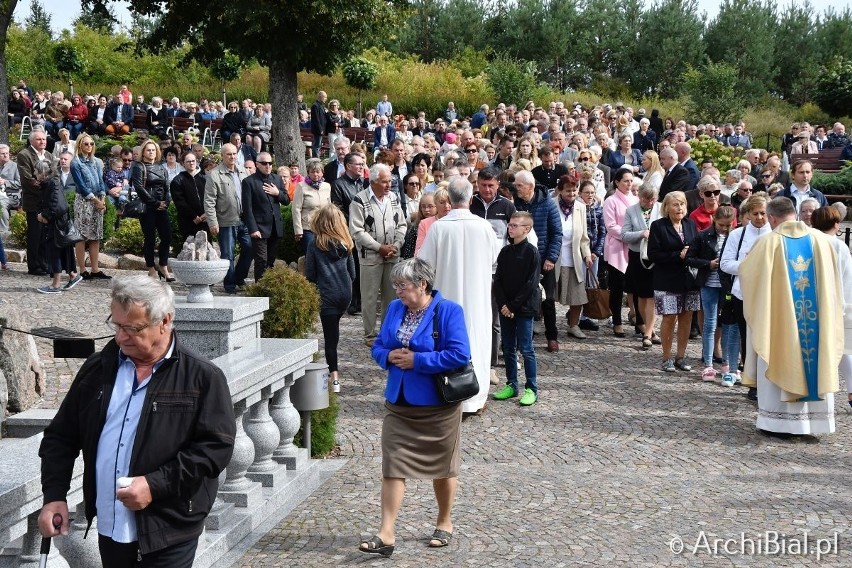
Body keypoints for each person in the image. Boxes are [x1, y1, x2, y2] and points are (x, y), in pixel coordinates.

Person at [38, 275, 236, 566]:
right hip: (110, 527)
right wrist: (54, 495)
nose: (120, 337)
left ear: (165, 322)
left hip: (170, 529)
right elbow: (61, 437)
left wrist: (154, 485)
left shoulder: (203, 377)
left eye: (133, 328)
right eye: (116, 325)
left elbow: (214, 449)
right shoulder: (97, 369)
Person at [360, 258, 471, 557]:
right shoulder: (396, 309)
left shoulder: (448, 311)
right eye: (395, 286)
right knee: (392, 465)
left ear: (422, 284)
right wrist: (388, 356)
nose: (397, 292)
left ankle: (444, 522)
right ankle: (386, 534)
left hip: (438, 406)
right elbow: (379, 345)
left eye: (402, 286)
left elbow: (460, 354)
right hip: (399, 403)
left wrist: (418, 361)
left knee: (443, 469)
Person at [738, 197, 843, 436]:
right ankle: (813, 424)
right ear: (794, 213)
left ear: (772, 218)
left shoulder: (766, 243)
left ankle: (779, 424)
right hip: (817, 325)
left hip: (780, 326)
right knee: (815, 357)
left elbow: (747, 276)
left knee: (781, 355)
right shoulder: (823, 242)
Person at [418, 176, 498, 412]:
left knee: (447, 341)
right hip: (477, 297)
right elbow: (495, 260)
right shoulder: (484, 227)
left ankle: (450, 392)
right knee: (477, 339)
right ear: (471, 198)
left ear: (449, 200)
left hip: (446, 297)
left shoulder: (439, 228)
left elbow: (423, 265)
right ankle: (475, 396)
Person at [350, 163, 407, 345]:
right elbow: (357, 231)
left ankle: (387, 333)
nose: (388, 185)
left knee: (391, 297)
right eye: (384, 182)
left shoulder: (393, 198)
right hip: (370, 258)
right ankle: (370, 335)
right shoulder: (359, 200)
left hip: (392, 255)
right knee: (370, 297)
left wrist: (396, 245)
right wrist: (378, 247)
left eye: (390, 181)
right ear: (373, 181)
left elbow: (402, 225)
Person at [719, 193, 771, 393]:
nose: (759, 218)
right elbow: (725, 264)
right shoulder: (737, 235)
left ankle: (767, 380)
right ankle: (752, 381)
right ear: (748, 214)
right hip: (743, 293)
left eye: (763, 213)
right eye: (755, 214)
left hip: (768, 294)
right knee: (746, 337)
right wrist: (749, 265)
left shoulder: (774, 234)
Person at [647, 191, 701, 372]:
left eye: (682, 204)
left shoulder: (690, 224)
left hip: (688, 280)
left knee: (687, 317)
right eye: (675, 204)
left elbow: (696, 249)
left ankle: (681, 356)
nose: (679, 208)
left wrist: (691, 253)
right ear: (667, 207)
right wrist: (678, 255)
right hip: (667, 279)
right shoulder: (658, 226)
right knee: (669, 318)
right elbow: (653, 254)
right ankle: (666, 357)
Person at [492, 211, 541, 405]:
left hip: (523, 308)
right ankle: (512, 384)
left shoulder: (531, 252)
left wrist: (512, 305)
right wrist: (503, 304)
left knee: (526, 348)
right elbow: (499, 279)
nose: (510, 228)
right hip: (506, 308)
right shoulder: (505, 252)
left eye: (514, 226)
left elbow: (531, 283)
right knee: (508, 347)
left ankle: (531, 388)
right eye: (509, 225)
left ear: (526, 229)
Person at [306, 205, 355, 393]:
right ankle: (333, 375)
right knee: (334, 333)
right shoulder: (347, 242)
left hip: (327, 295)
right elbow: (352, 273)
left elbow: (310, 273)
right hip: (344, 294)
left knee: (330, 339)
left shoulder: (316, 243)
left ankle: (334, 378)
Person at [512, 170, 562, 352]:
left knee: (547, 300)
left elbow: (556, 233)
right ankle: (523, 338)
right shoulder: (514, 203)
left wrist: (551, 257)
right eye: (515, 185)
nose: (516, 188)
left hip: (543, 259)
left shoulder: (547, 203)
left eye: (520, 186)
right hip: (521, 259)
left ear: (531, 186)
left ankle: (552, 336)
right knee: (522, 299)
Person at [811, 206, 852, 410]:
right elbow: (847, 279)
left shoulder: (810, 243)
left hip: (812, 304)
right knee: (842, 350)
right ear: (836, 225)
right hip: (837, 304)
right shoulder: (839, 246)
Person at [691, 205, 736, 383]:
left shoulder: (735, 237)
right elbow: (690, 258)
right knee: (710, 322)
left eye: (728, 225)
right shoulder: (703, 236)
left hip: (727, 286)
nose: (725, 229)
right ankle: (708, 364)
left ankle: (726, 363)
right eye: (721, 225)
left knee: (727, 324)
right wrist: (708, 264)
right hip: (709, 283)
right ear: (714, 221)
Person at [205, 143, 250, 293]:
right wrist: (213, 222)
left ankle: (239, 277)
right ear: (222, 156)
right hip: (226, 220)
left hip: (245, 219)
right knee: (228, 254)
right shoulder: (214, 174)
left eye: (234, 154)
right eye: (229, 154)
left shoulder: (244, 172)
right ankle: (230, 285)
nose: (232, 157)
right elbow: (209, 201)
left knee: (250, 249)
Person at [622, 185, 661, 349]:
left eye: (652, 199)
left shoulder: (660, 208)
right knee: (642, 294)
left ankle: (648, 331)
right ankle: (645, 325)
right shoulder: (631, 211)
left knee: (652, 295)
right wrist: (641, 234)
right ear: (640, 197)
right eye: (646, 199)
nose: (650, 202)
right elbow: (624, 235)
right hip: (637, 256)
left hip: (655, 257)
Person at [553, 175, 592, 339]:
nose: (572, 193)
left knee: (577, 296)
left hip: (574, 257)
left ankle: (573, 325)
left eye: (575, 190)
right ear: (560, 190)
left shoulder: (580, 207)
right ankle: (543, 323)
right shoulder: (552, 205)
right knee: (548, 294)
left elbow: (583, 237)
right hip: (554, 257)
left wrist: (587, 255)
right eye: (568, 190)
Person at [241, 151, 290, 282]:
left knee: (271, 260)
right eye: (264, 163)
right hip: (259, 227)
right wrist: (253, 229)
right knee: (261, 260)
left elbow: (286, 200)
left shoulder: (277, 179)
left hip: (275, 227)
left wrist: (277, 193)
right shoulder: (248, 182)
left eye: (270, 163)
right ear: (257, 164)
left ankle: (269, 287)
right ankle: (260, 289)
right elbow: (247, 208)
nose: (268, 166)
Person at [34, 161, 80, 293]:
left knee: (54, 252)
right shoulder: (50, 183)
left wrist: (44, 216)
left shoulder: (52, 184)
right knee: (62, 251)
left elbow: (59, 206)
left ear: (42, 172)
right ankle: (72, 275)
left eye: (36, 171)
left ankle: (56, 285)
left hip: (57, 225)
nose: (35, 174)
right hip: (59, 223)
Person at [603, 168, 638, 337]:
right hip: (617, 246)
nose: (629, 184)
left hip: (635, 246)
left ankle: (639, 320)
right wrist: (627, 236)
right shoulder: (611, 200)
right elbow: (610, 225)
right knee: (617, 287)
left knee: (636, 287)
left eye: (631, 181)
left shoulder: (635, 200)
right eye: (626, 181)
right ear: (617, 182)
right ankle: (617, 321)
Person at [70, 134, 111, 281]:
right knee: (81, 236)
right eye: (86, 144)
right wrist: (95, 200)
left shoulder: (95, 162)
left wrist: (102, 198)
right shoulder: (75, 163)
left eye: (91, 144)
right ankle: (82, 269)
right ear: (80, 145)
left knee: (96, 236)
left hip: (97, 201)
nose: (89, 146)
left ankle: (95, 269)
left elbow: (101, 181)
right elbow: (81, 185)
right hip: (83, 201)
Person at [292, 158, 332, 252]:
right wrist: (298, 230)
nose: (315, 174)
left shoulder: (327, 186)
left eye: (318, 172)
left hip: (323, 228)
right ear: (308, 173)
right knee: (311, 255)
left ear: (322, 173)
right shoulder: (301, 186)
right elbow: (296, 209)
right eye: (312, 172)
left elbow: (329, 207)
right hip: (308, 228)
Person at [170, 152, 208, 243]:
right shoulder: (177, 180)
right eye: (188, 161)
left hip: (205, 219)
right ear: (183, 163)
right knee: (190, 249)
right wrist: (194, 216)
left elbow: (210, 197)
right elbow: (180, 202)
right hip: (188, 221)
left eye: (193, 161)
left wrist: (207, 213)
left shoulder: (204, 178)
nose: (191, 163)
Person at [401, 192, 435, 259]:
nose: (426, 210)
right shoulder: (415, 227)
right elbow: (408, 252)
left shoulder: (441, 225)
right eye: (423, 207)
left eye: (430, 206)